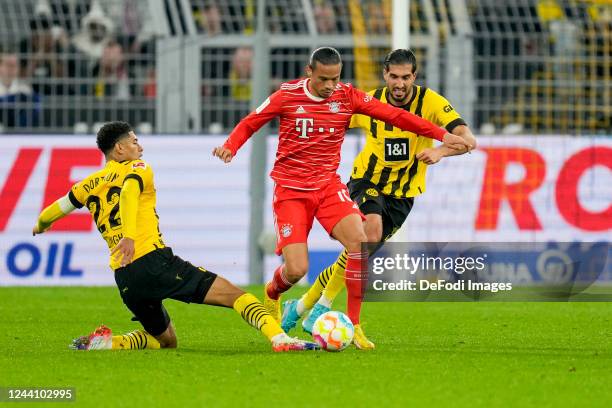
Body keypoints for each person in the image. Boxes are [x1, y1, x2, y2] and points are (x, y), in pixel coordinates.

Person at [212, 47, 472, 349]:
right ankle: (272, 293)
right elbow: (252, 120)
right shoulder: (287, 95)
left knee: (359, 243)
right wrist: (231, 145)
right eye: (324, 79)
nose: (330, 86)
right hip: (291, 191)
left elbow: (398, 116)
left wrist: (442, 137)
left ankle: (354, 324)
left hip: (327, 187)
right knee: (296, 269)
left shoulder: (347, 96)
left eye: (335, 79)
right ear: (310, 72)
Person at [33, 121, 318, 352]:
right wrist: (130, 236)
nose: (140, 147)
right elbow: (130, 192)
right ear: (119, 149)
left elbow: (55, 209)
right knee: (236, 296)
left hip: (125, 277)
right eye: (134, 141)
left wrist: (40, 225)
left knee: (166, 340)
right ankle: (281, 339)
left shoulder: (86, 184)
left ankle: (111, 342)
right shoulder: (137, 168)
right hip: (152, 260)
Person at [281, 49, 477, 340]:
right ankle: (323, 308)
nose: (399, 83)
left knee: (358, 253)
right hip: (366, 181)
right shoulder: (369, 101)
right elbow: (326, 120)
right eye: (394, 77)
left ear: (414, 76)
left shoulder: (431, 102)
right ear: (385, 75)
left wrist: (440, 151)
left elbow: (468, 140)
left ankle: (302, 305)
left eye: (405, 77)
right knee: (368, 233)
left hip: (403, 195)